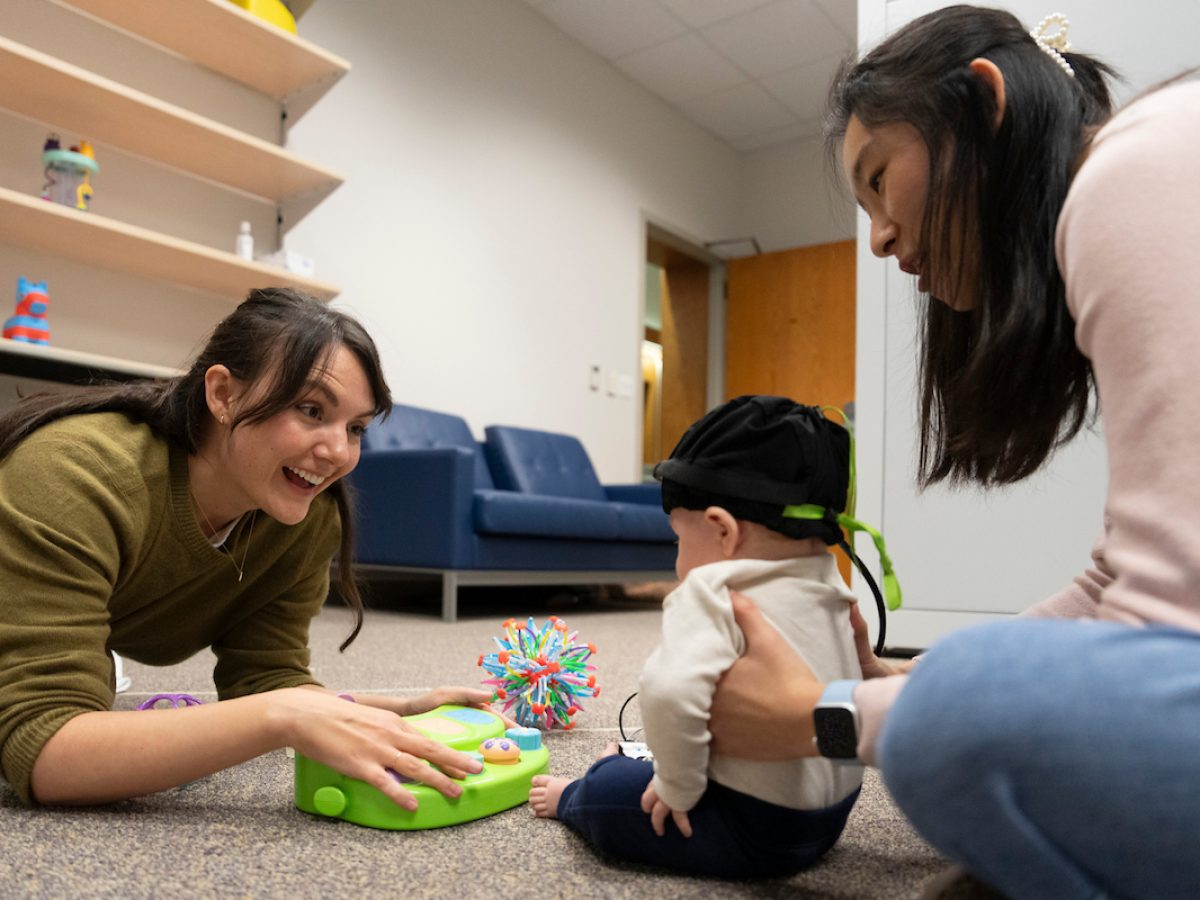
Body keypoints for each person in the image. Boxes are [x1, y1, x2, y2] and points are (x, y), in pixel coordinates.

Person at [705, 7, 1200, 899]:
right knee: (958, 683)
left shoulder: (1129, 175)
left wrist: (823, 717)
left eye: (880, 181)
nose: (881, 240)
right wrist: (910, 679)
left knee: (957, 719)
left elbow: (1164, 628)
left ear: (983, 103)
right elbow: (1117, 581)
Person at [0, 287, 492, 809]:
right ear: (223, 395)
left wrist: (393, 711)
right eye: (310, 409)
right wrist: (284, 717)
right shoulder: (75, 475)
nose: (338, 452)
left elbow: (266, 678)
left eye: (355, 428)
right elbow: (46, 750)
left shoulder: (300, 515)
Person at [530, 396, 878, 878]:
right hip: (831, 816)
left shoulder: (712, 591)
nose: (677, 557)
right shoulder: (832, 585)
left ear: (722, 530)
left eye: (678, 539)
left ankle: (571, 793)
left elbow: (668, 692)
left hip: (754, 830)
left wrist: (675, 788)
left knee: (610, 790)